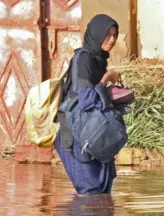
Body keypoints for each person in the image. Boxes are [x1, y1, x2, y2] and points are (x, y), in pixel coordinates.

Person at [54, 14, 122, 195]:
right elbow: (86, 100)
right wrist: (107, 79)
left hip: (92, 132)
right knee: (90, 192)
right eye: (107, 35)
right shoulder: (84, 59)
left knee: (102, 190)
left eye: (115, 35)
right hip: (75, 134)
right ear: (96, 34)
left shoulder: (99, 60)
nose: (112, 40)